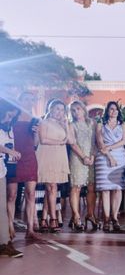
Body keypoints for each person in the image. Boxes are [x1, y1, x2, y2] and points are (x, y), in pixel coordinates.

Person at [37, 99, 73, 233]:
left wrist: (66, 126)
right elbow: (43, 139)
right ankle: (53, 219)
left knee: (50, 189)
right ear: (50, 109)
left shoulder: (62, 124)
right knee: (52, 187)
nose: (60, 112)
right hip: (46, 156)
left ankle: (43, 218)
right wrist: (60, 141)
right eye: (57, 109)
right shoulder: (43, 122)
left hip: (59, 157)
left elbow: (70, 140)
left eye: (62, 110)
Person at [7, 91, 39, 240]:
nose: (29, 102)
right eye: (26, 99)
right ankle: (10, 226)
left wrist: (37, 133)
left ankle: (30, 229)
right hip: (13, 156)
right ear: (20, 101)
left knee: (31, 194)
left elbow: (36, 144)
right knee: (12, 195)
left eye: (31, 100)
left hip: (29, 157)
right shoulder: (12, 117)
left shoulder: (35, 120)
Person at [95, 101, 125, 233]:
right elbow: (100, 143)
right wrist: (110, 156)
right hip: (103, 158)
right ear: (107, 111)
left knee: (117, 188)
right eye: (111, 109)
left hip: (120, 156)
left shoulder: (124, 125)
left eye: (116, 109)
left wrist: (110, 148)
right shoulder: (100, 125)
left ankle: (114, 218)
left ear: (119, 111)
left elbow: (124, 141)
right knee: (105, 189)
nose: (113, 111)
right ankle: (106, 218)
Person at [68, 101, 97, 232]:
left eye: (78, 109)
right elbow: (72, 144)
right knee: (76, 187)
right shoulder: (71, 125)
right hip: (77, 158)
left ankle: (90, 214)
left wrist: (92, 156)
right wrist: (83, 157)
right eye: (73, 110)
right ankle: (76, 217)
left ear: (84, 109)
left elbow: (96, 141)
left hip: (91, 158)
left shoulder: (92, 123)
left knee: (91, 187)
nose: (76, 112)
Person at [0, 99, 23, 257]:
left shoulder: (8, 129)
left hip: (1, 170)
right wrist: (9, 152)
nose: (9, 119)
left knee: (1, 208)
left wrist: (12, 153)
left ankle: (4, 243)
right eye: (8, 115)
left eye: (12, 117)